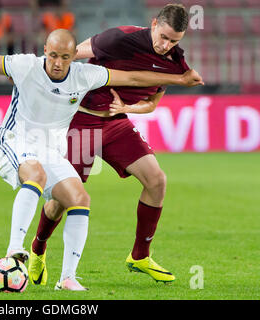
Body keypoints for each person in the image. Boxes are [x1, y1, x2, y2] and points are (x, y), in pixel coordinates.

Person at [0, 28, 203, 290]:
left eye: (65, 57)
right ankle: (14, 251)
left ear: (75, 55)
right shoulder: (25, 66)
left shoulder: (85, 75)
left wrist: (178, 79)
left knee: (79, 198)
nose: (58, 63)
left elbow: (135, 77)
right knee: (36, 176)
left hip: (51, 149)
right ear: (44, 52)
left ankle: (68, 278)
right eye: (53, 56)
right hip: (16, 140)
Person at [29, 4, 195, 286]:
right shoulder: (120, 38)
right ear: (154, 23)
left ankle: (140, 256)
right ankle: (38, 248)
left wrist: (129, 106)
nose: (166, 45)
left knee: (156, 181)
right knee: (63, 199)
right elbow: (71, 56)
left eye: (174, 41)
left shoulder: (175, 61)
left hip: (117, 123)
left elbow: (152, 103)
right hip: (82, 121)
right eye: (164, 37)